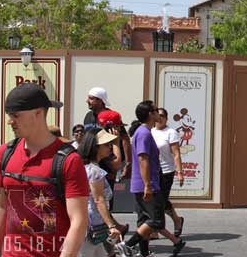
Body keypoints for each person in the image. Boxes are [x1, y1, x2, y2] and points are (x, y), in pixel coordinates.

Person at [0, 83, 89, 257]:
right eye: (9, 116)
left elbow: (79, 220)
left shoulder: (68, 160)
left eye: (15, 115)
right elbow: (1, 208)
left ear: (38, 113)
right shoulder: (4, 154)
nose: (10, 121)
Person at [115, 101, 185, 257]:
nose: (158, 114)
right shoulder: (144, 133)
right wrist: (147, 185)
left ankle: (144, 252)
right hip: (146, 184)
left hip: (150, 182)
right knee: (156, 220)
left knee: (146, 219)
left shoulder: (145, 132)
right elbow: (143, 159)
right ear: (149, 115)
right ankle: (126, 245)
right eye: (155, 111)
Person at [77, 128, 123, 257]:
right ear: (95, 147)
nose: (110, 147)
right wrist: (112, 226)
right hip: (91, 228)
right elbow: (99, 200)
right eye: (106, 145)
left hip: (88, 225)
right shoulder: (95, 171)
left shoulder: (85, 167)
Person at [152, 108, 185, 236]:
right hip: (153, 171)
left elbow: (176, 154)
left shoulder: (170, 132)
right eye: (157, 115)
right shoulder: (150, 131)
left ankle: (175, 221)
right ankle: (158, 228)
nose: (159, 118)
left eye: (162, 116)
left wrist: (180, 172)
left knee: (162, 201)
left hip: (166, 171)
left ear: (166, 118)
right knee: (156, 201)